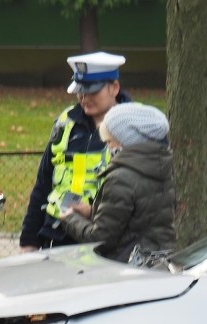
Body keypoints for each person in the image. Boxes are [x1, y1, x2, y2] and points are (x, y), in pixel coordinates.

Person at [20, 51, 131, 251]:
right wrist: (29, 241)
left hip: (106, 242)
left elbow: (142, 196)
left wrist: (93, 212)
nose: (83, 97)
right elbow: (43, 184)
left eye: (92, 91)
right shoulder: (66, 123)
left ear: (114, 88)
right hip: (57, 236)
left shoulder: (134, 127)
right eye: (80, 90)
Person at [58, 102, 176, 263]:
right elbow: (137, 219)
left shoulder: (121, 178)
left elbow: (101, 240)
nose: (107, 148)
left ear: (126, 142)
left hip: (125, 268)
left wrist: (70, 219)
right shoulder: (161, 167)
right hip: (156, 263)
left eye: (109, 142)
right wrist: (91, 212)